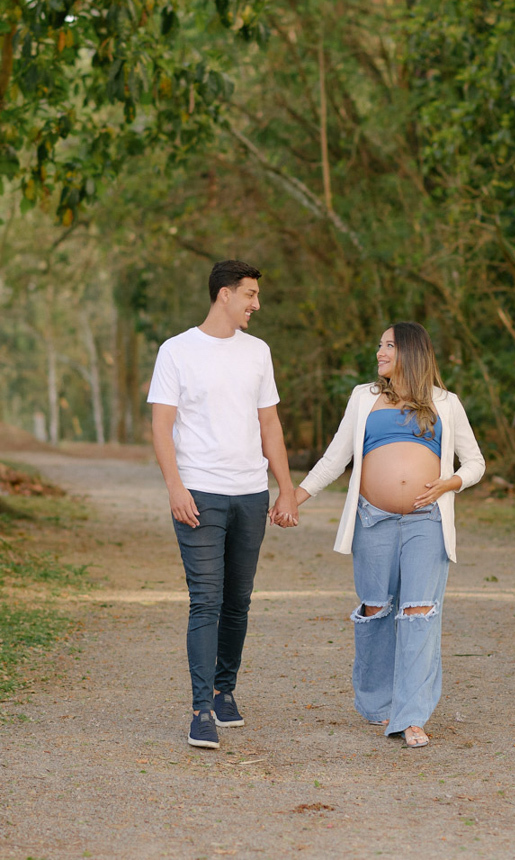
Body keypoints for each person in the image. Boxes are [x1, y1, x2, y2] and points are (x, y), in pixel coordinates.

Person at [290, 322, 485, 747]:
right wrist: (294, 497)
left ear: (411, 351)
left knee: (419, 613)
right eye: (379, 344)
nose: (380, 351)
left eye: (389, 345)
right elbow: (335, 457)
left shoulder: (445, 403)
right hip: (372, 519)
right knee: (375, 611)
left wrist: (449, 483)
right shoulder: (364, 397)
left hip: (427, 520)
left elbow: (475, 462)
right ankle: (379, 704)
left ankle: (410, 716)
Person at [148, 260, 298, 750]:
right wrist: (175, 487)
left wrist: (286, 487)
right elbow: (162, 425)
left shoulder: (258, 352)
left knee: (238, 600)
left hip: (251, 493)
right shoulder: (177, 351)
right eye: (250, 294)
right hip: (200, 494)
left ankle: (224, 691)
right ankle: (201, 711)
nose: (257, 304)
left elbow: (269, 424)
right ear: (224, 295)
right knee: (206, 599)